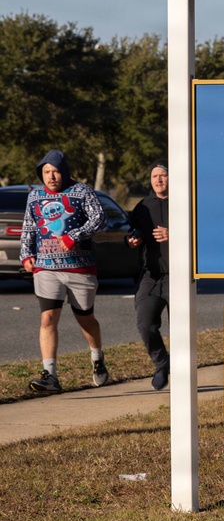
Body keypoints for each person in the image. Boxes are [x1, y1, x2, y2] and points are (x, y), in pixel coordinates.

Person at [19, 149, 109, 394]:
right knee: (47, 318)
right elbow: (29, 226)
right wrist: (26, 255)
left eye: (55, 171)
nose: (51, 177)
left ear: (64, 172)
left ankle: (97, 357)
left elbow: (100, 219)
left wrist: (74, 236)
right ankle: (50, 376)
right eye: (46, 172)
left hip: (80, 268)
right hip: (46, 268)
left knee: (85, 319)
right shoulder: (35, 195)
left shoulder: (82, 192)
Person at [126, 160, 171, 390]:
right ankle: (162, 363)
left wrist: (173, 234)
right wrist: (131, 239)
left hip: (179, 276)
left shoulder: (185, 203)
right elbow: (132, 231)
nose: (159, 180)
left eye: (163, 175)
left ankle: (183, 371)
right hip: (151, 276)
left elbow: (202, 233)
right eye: (155, 176)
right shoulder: (143, 206)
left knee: (181, 327)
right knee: (145, 323)